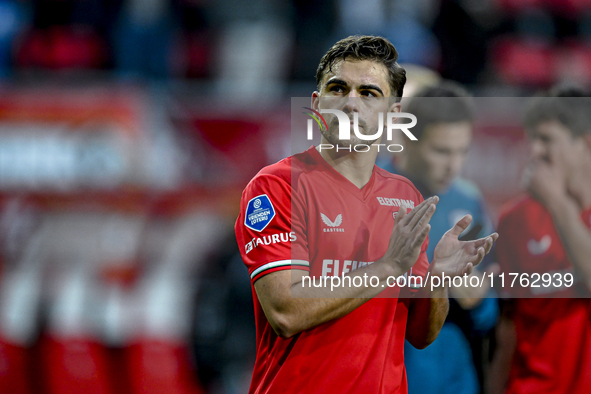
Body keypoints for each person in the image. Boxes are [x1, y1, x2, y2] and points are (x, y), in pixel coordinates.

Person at [235, 35, 497, 394]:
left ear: (393, 115)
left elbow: (422, 335)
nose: (350, 103)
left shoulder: (405, 197)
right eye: (338, 88)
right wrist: (388, 267)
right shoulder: (278, 187)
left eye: (369, 93)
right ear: (316, 103)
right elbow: (286, 313)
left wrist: (437, 278)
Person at [380, 81, 498, 394]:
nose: (454, 166)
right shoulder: (370, 191)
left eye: (462, 151)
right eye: (441, 151)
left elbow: (487, 308)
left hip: (454, 381)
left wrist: (478, 301)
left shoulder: (468, 201)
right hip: (387, 378)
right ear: (407, 141)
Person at [490, 87, 591, 394]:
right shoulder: (514, 220)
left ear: (584, 143)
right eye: (532, 138)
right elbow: (508, 325)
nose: (534, 151)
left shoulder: (557, 207)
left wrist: (558, 204)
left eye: (547, 139)